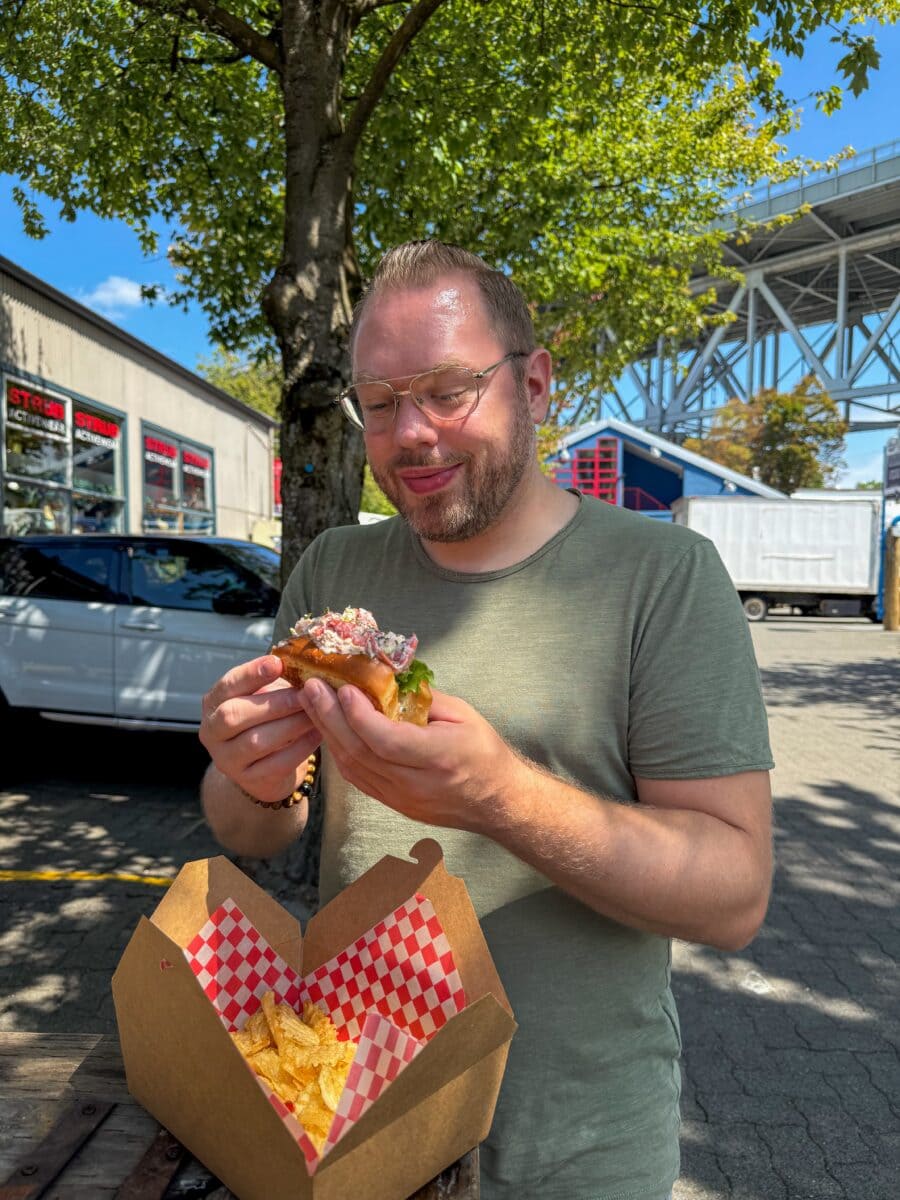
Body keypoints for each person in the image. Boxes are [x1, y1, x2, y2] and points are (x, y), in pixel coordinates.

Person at [199, 240, 774, 1200]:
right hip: (353, 1117)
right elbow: (256, 831)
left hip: (575, 1152)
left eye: (447, 391)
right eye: (379, 403)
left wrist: (498, 795)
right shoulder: (333, 570)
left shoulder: (662, 578)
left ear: (535, 384)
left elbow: (733, 896)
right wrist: (246, 776)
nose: (410, 434)